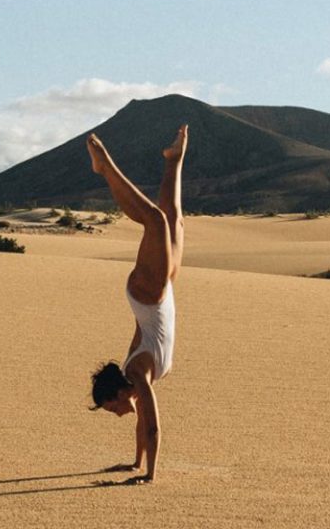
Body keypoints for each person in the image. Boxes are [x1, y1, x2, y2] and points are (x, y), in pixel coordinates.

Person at [87, 124, 188, 484]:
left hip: (148, 293)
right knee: (173, 219)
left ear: (118, 393)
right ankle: (173, 160)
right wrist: (135, 463)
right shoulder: (136, 380)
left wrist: (150, 476)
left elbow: (154, 426)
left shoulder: (138, 375)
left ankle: (106, 169)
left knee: (155, 222)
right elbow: (145, 423)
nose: (115, 413)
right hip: (162, 289)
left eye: (110, 406)